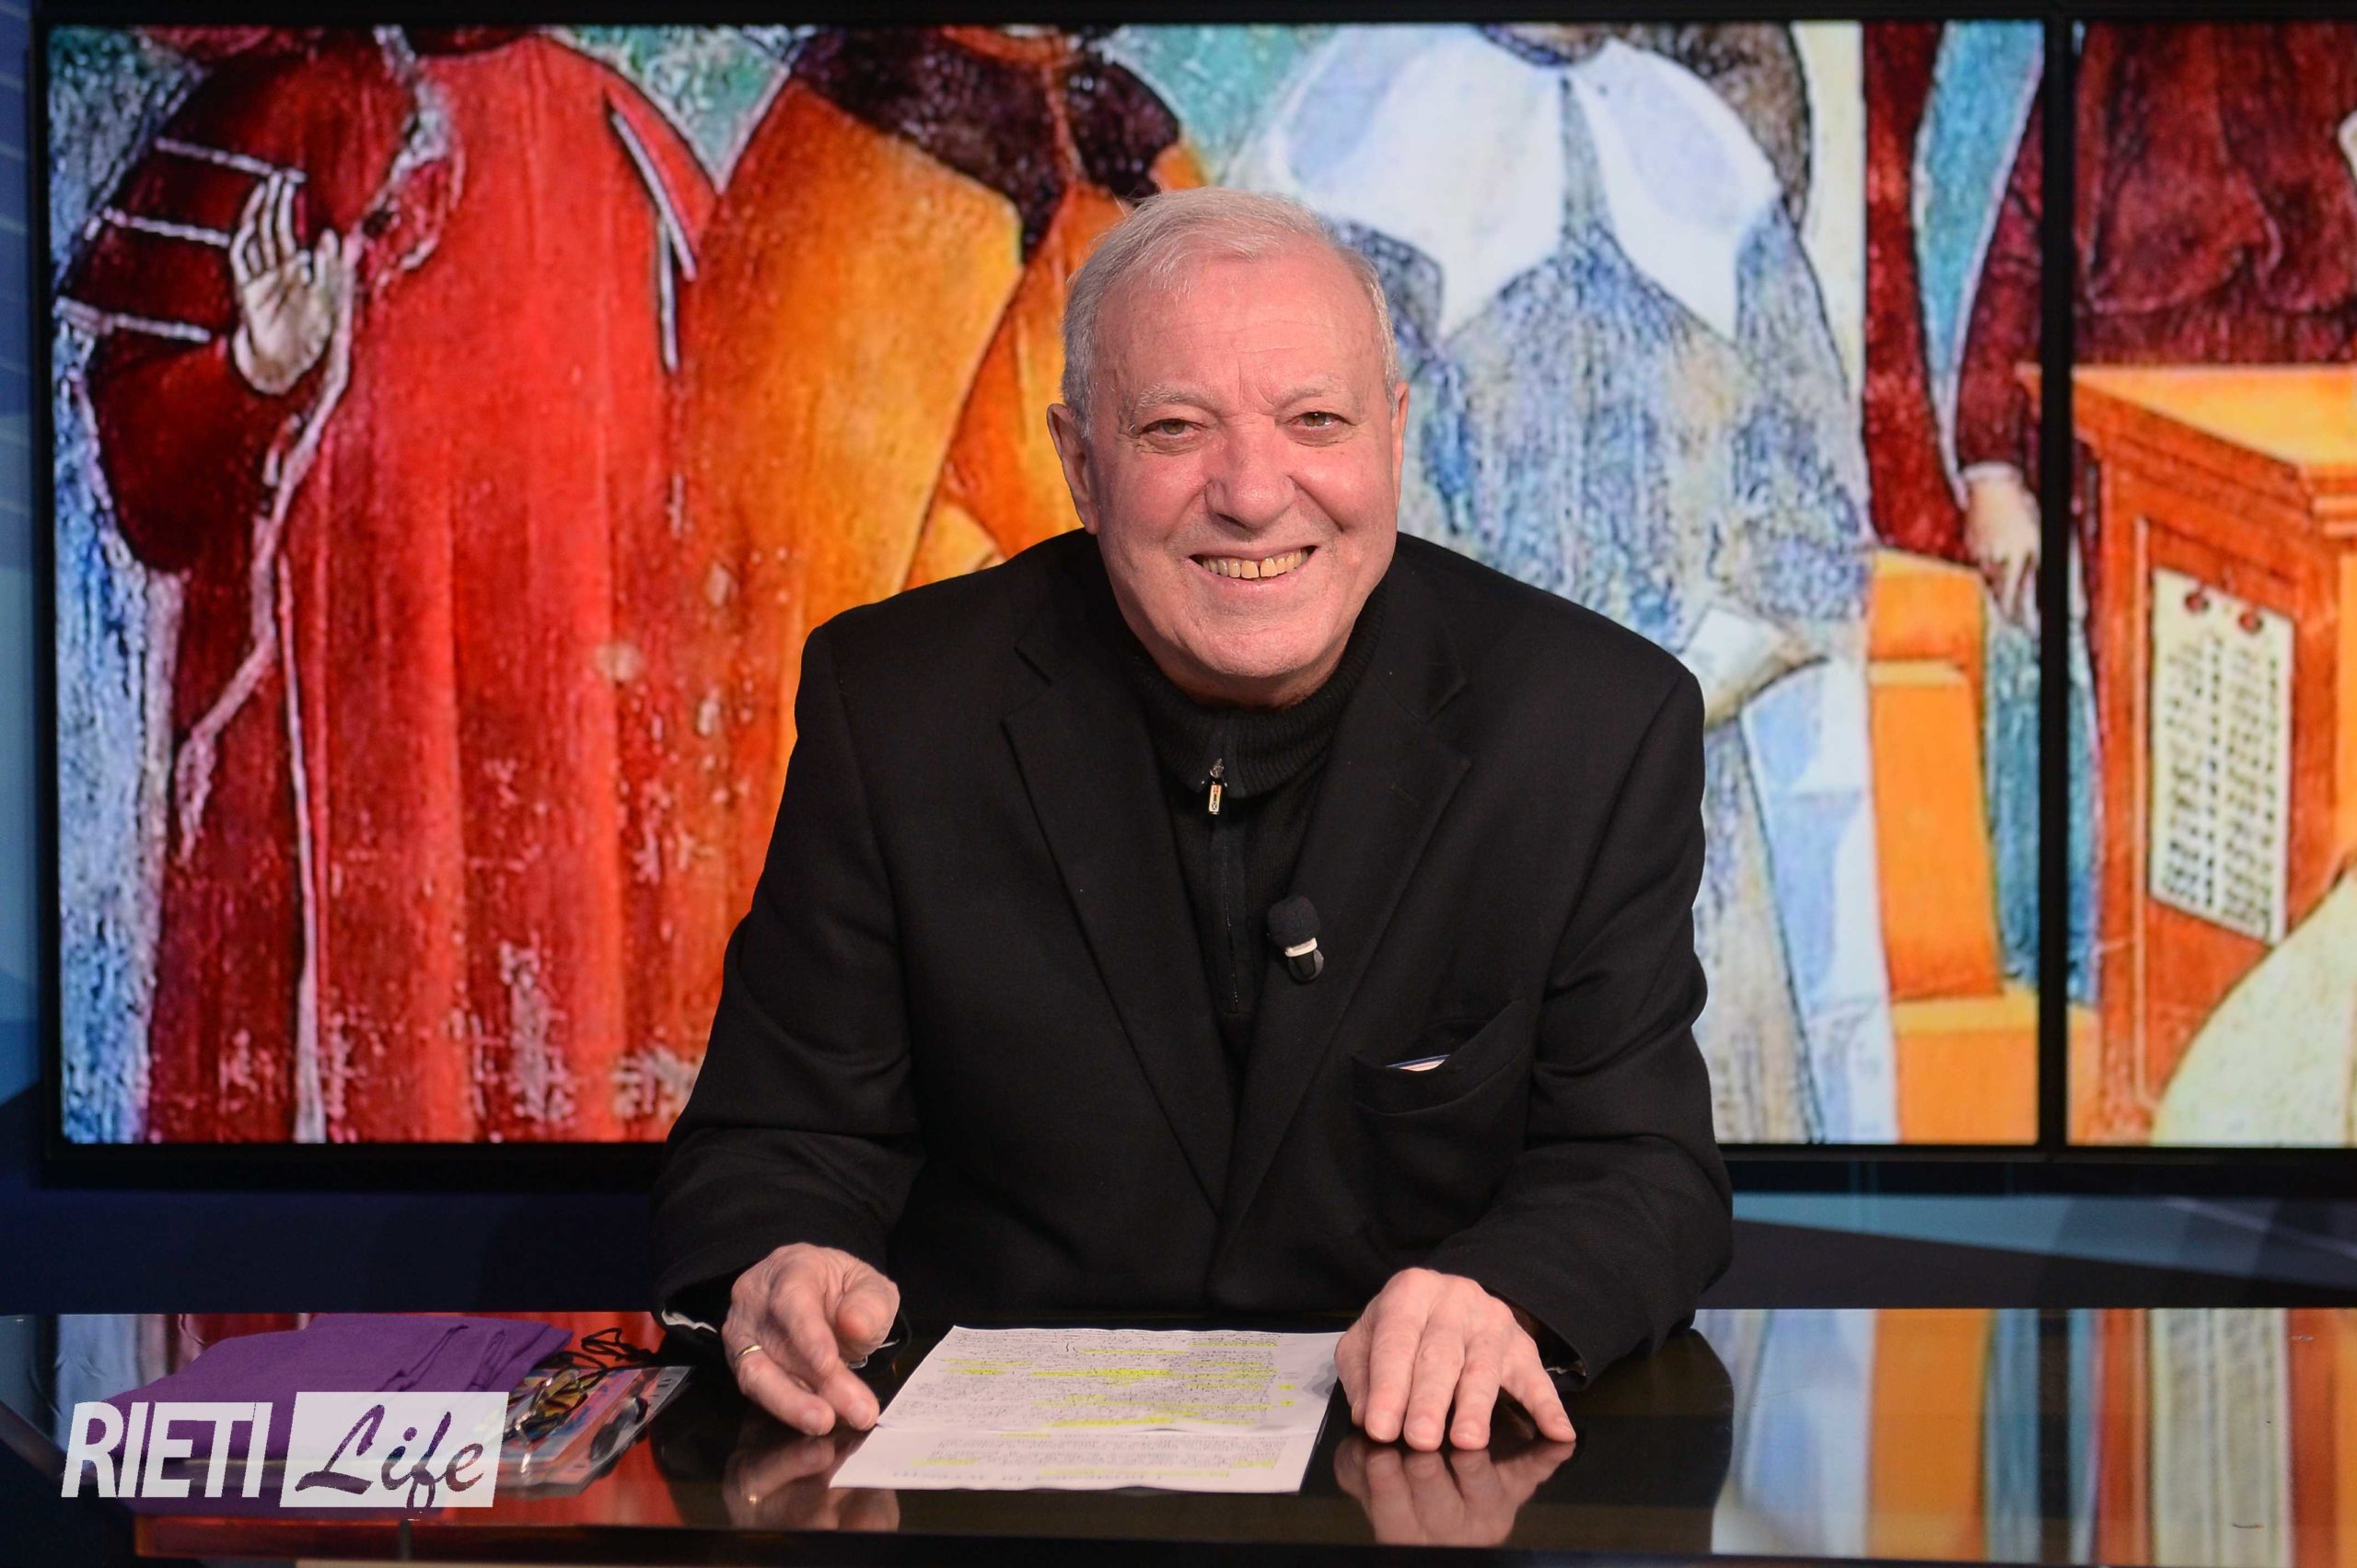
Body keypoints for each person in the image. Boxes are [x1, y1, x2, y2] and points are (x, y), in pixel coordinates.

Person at [652, 189, 1731, 1451]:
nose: (1254, 493)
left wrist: (1509, 1294)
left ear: (1392, 433)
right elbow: (777, 1141)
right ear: (1080, 461)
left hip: (1415, 1465)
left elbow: (1643, 1166)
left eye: (1315, 421)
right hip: (989, 1488)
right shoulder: (895, 706)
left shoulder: (1595, 724)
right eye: (1176, 428)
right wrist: (784, 1262)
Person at [58, 26, 719, 1140]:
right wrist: (251, 371)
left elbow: (726, 511)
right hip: (323, 801)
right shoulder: (272, 117)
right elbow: (149, 489)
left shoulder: (624, 139)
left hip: (568, 800)